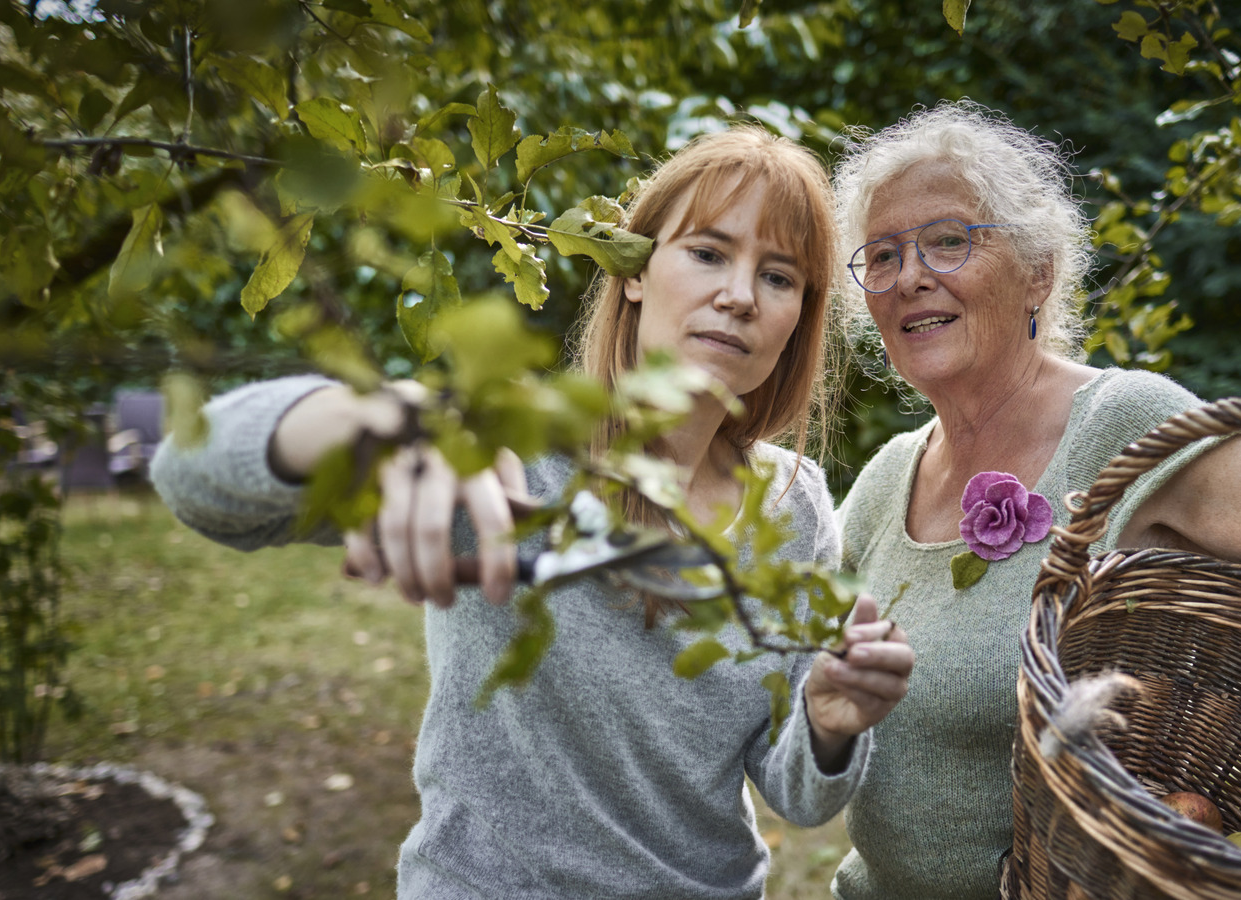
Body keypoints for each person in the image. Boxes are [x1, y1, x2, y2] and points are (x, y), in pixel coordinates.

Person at [151, 126, 914, 900]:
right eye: (709, 253)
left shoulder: (791, 505)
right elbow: (191, 475)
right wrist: (372, 416)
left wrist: (827, 719)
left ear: (798, 316)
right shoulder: (505, 447)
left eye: (778, 276)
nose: (740, 295)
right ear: (634, 271)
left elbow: (796, 793)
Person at [827, 101, 1241, 900]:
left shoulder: (1127, 427)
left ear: (1039, 271)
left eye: (949, 240)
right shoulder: (885, 481)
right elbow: (786, 702)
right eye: (882, 255)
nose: (910, 276)